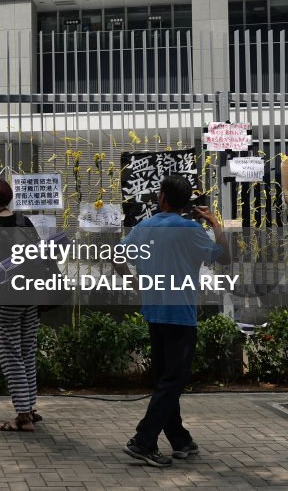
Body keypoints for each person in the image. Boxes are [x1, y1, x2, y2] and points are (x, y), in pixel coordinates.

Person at [118, 175, 231, 467]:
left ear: (163, 197)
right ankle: (144, 441)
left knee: (166, 380)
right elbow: (225, 258)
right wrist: (215, 223)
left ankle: (180, 440)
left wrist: (134, 283)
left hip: (154, 311)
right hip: (180, 313)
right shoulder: (192, 230)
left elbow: (117, 256)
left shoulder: (144, 226)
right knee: (173, 380)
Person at [0, 177, 42, 433]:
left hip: (7, 299)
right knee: (27, 351)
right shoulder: (24, 222)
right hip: (32, 295)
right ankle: (31, 408)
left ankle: (23, 417)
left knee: (10, 354)